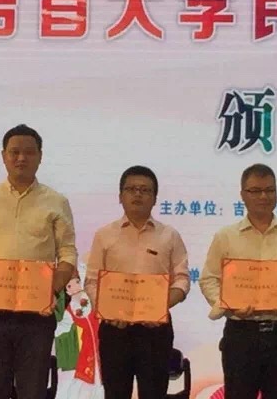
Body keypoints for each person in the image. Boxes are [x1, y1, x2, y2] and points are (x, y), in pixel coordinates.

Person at [0, 124, 77, 399]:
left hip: (36, 317)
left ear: (40, 156)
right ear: (3, 156)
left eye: (29, 152)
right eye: (14, 152)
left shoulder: (57, 201)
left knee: (33, 391)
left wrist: (51, 290)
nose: (21, 158)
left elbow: (67, 254)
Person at [200, 163, 277, 399]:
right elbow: (209, 279)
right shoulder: (226, 237)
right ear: (243, 195)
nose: (264, 196)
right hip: (240, 334)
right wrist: (227, 303)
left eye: (270, 190)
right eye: (255, 191)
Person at [84, 165, 190, 399]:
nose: (138, 194)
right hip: (115, 330)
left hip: (155, 331)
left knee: (154, 394)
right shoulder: (104, 235)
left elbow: (182, 280)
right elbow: (91, 281)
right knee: (115, 393)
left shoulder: (169, 235)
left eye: (145, 190)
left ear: (155, 198)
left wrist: (160, 306)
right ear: (120, 196)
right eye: (131, 189)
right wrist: (107, 310)